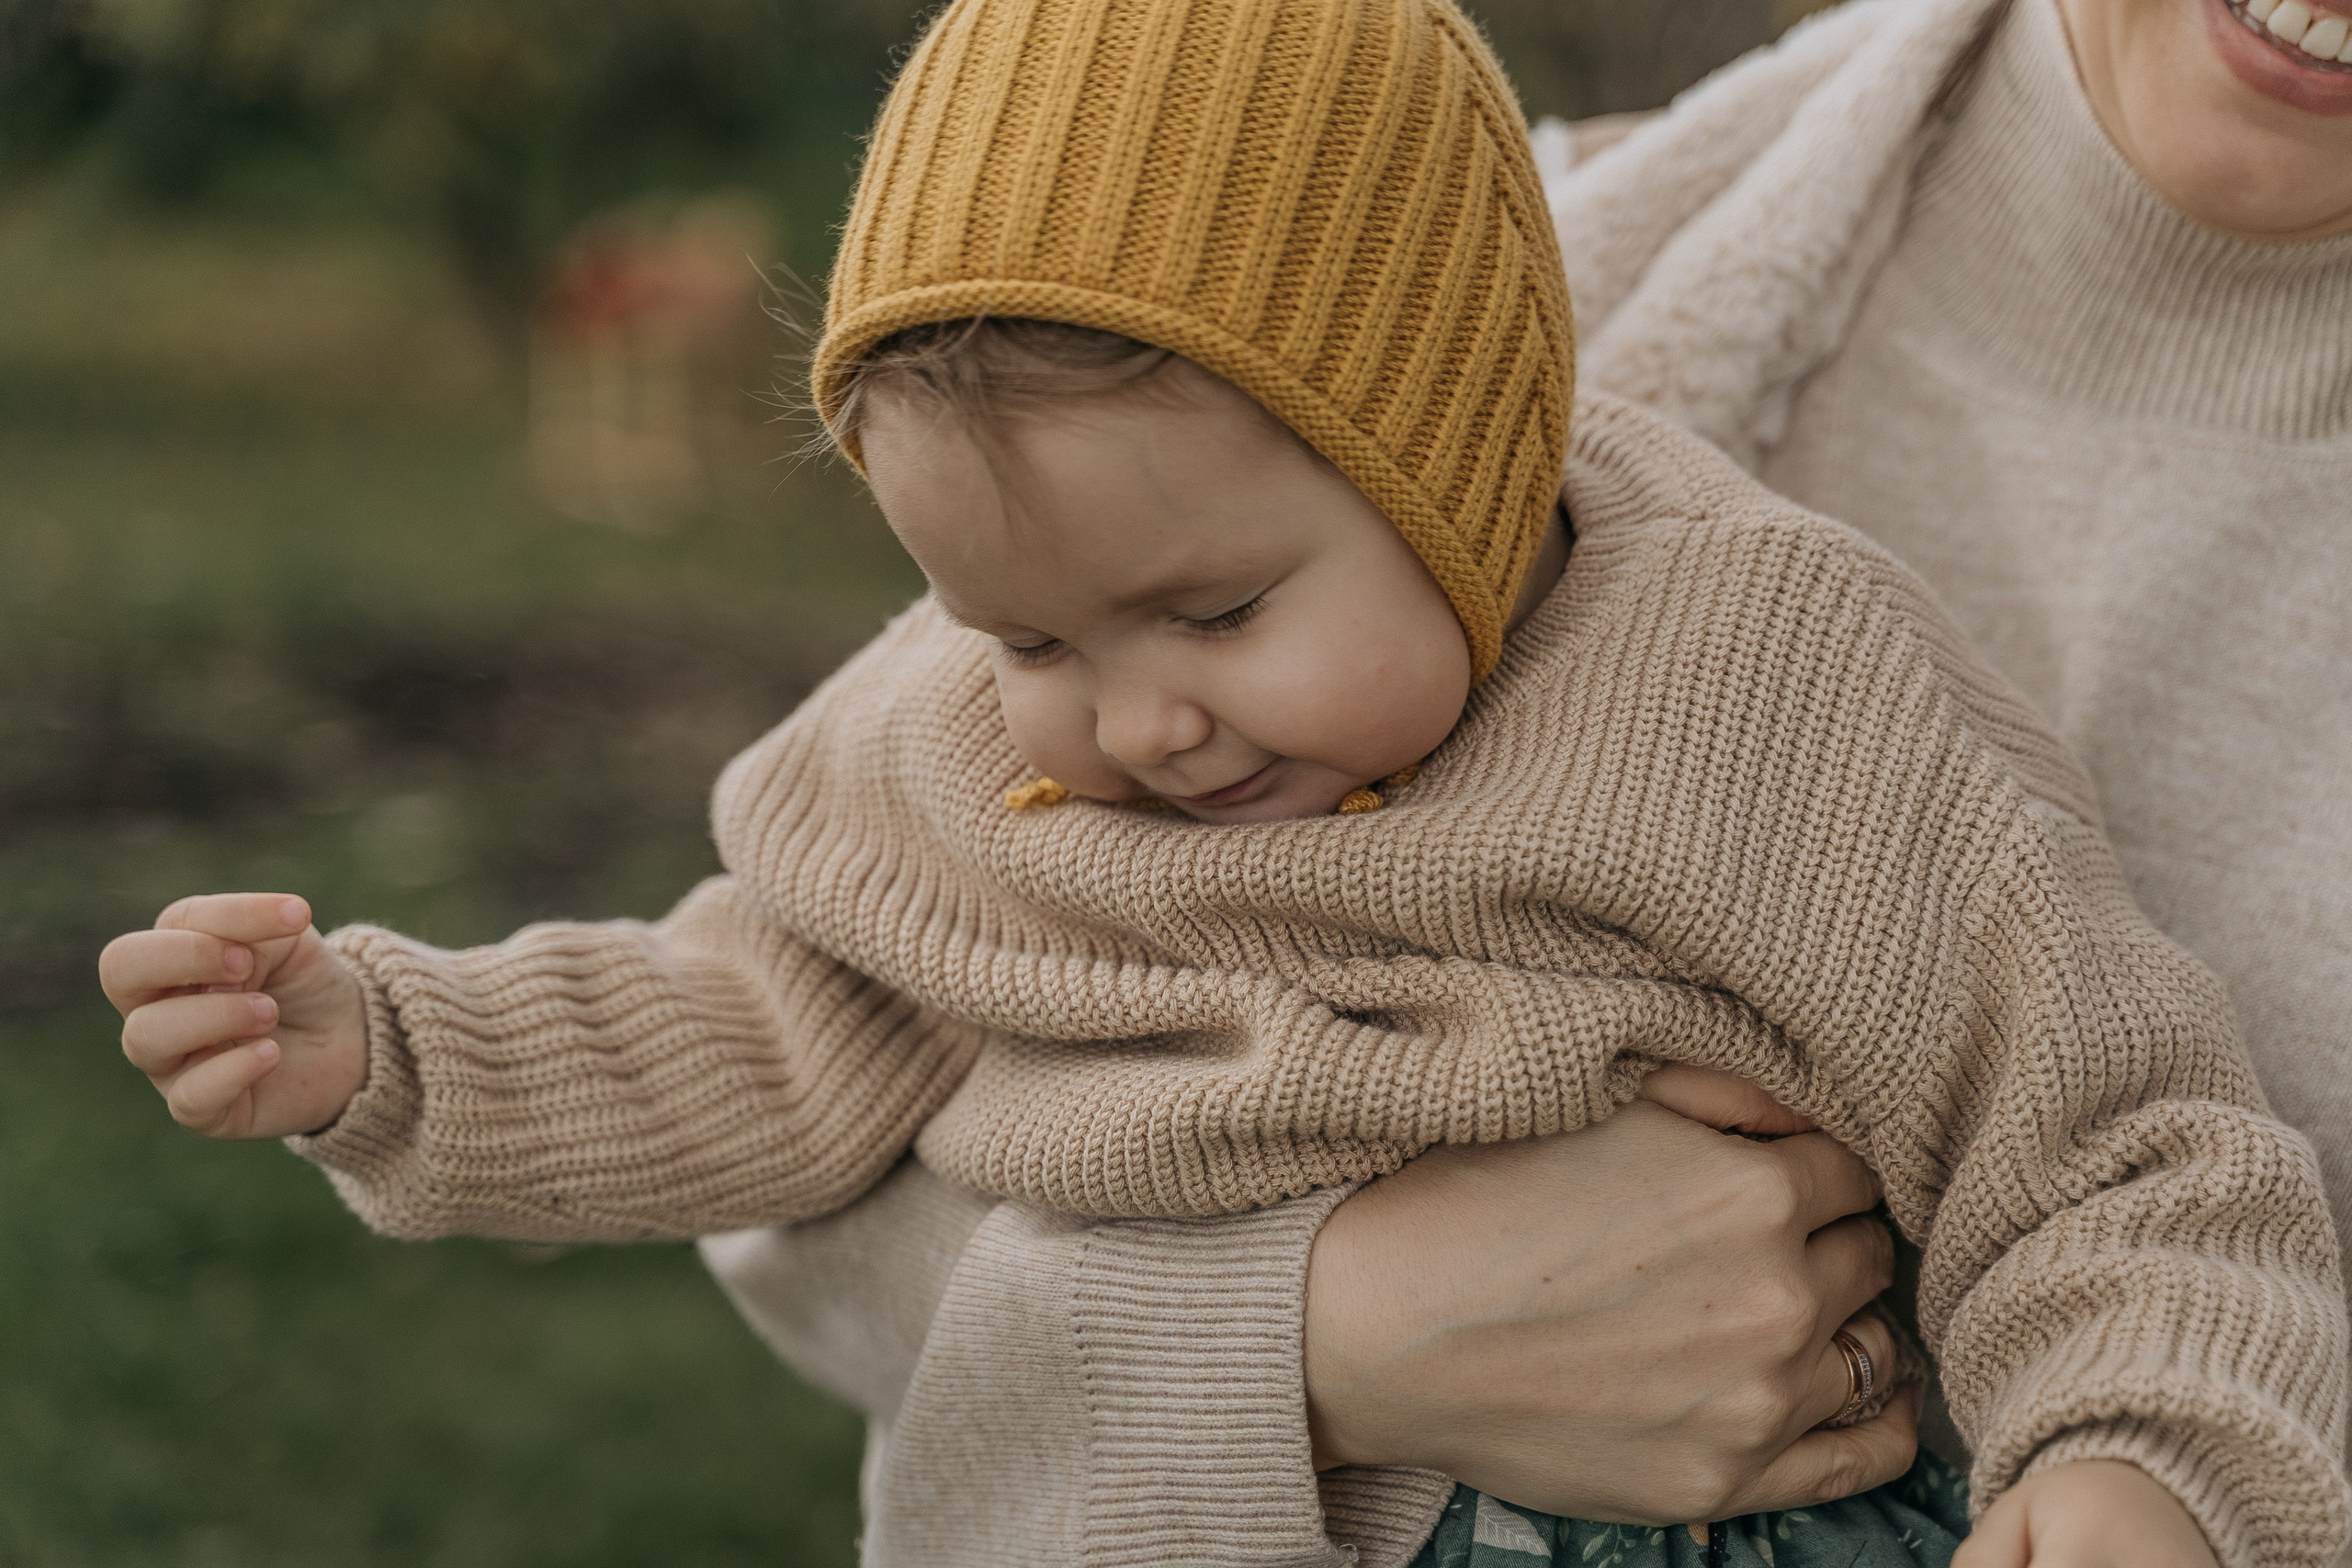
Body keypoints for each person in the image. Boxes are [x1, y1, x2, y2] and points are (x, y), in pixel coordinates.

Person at [93, 0, 2348, 1565]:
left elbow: (2103, 1139)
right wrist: (392, 1043)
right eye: (1027, 635)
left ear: (1463, 477)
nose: (1133, 723)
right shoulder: (1013, 744)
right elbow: (760, 1029)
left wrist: (2147, 1453)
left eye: (1211, 615)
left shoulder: (1764, 694)